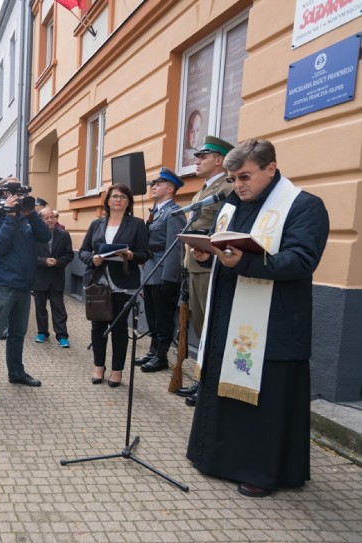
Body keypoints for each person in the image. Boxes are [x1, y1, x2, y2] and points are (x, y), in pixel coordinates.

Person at [186, 139, 329, 498]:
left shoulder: (304, 206)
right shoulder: (232, 207)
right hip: (227, 314)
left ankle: (261, 470)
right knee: (223, 388)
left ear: (271, 168)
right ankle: (215, 457)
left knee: (266, 400)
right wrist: (206, 255)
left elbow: (301, 260)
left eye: (245, 177)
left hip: (275, 324)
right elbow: (224, 247)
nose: (238, 186)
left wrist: (245, 262)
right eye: (233, 179)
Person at [0, 178, 51, 403]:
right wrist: (9, 217)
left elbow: (45, 237)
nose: (18, 195)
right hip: (3, 285)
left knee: (18, 334)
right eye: (13, 191)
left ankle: (16, 373)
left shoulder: (27, 216)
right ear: (4, 193)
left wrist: (31, 213)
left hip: (24, 286)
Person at [178, 136, 235, 406]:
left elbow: (221, 228)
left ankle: (209, 385)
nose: (197, 160)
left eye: (203, 156)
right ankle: (203, 379)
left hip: (208, 264)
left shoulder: (228, 187)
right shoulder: (204, 188)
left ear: (219, 160)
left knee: (209, 327)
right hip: (194, 264)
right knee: (200, 327)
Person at [78, 184, 149, 386]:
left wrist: (130, 255)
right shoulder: (96, 224)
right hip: (98, 279)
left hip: (124, 281)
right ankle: (98, 366)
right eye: (114, 196)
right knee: (97, 324)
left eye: (122, 197)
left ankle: (117, 370)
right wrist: (93, 259)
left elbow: (145, 254)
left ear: (128, 202)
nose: (118, 199)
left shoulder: (136, 224)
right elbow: (83, 251)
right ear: (108, 201)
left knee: (118, 327)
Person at [137, 168, 186, 373]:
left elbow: (175, 247)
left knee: (163, 315)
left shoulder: (174, 212)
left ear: (170, 188)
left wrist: (169, 277)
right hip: (151, 269)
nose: (153, 187)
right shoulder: (156, 211)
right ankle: (153, 350)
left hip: (164, 270)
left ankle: (161, 356)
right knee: (152, 313)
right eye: (153, 184)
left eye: (158, 184)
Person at [32, 208, 74, 348]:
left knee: (59, 308)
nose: (50, 220)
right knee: (40, 307)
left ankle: (62, 335)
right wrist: (44, 261)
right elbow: (29, 257)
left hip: (56, 277)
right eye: (46, 218)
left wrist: (57, 262)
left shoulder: (64, 235)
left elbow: (69, 255)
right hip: (40, 278)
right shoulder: (34, 235)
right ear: (41, 220)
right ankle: (42, 332)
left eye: (52, 217)